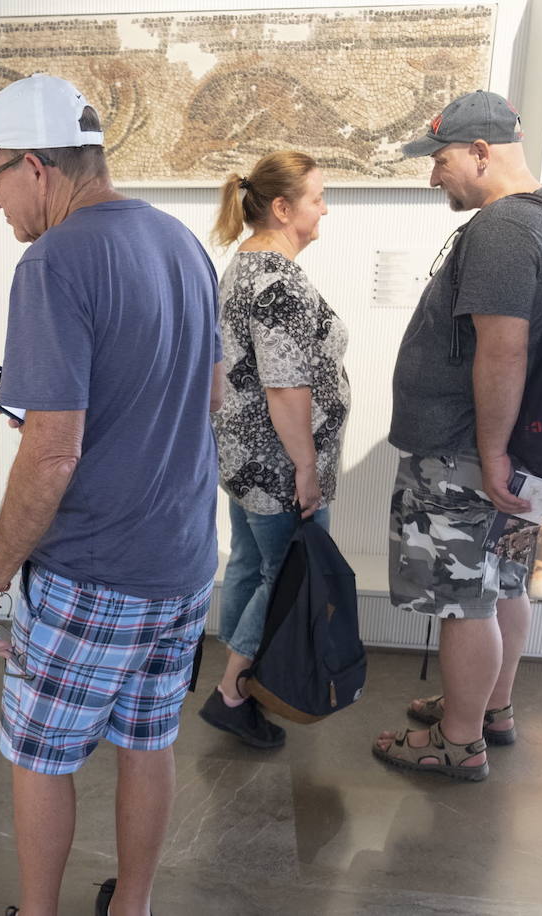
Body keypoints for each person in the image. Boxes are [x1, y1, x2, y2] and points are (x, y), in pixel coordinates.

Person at [0, 74, 221, 916]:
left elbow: (51, 455)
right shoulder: (182, 244)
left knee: (42, 753)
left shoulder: (55, 262)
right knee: (147, 741)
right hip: (182, 561)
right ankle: (129, 907)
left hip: (92, 570)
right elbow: (207, 400)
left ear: (35, 165)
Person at [375, 90, 542, 781]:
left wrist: (490, 455)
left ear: (481, 152)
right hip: (512, 454)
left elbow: (503, 350)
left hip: (469, 454)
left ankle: (457, 742)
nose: (434, 176)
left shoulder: (501, 229)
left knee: (463, 600)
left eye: (440, 160)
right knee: (505, 584)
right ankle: (490, 707)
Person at [200, 151, 349, 748]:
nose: (325, 208)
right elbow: (285, 385)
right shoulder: (276, 281)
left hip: (245, 458)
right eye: (317, 198)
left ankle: (239, 683)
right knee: (285, 575)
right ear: (283, 208)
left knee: (250, 565)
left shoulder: (246, 265)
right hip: (277, 465)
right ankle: (235, 692)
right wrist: (307, 468)